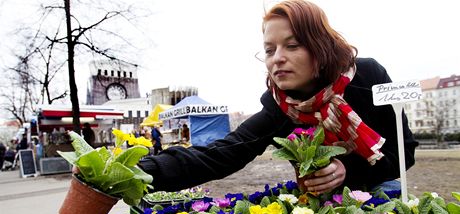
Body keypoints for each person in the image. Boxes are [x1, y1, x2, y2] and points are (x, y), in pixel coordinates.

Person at [94, 0, 414, 195]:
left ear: (319, 46)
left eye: (292, 45)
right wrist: (128, 169)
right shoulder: (281, 105)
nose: (277, 59)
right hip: (322, 206)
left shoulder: (367, 76)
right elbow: (221, 154)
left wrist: (348, 170)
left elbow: (405, 153)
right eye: (270, 49)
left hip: (379, 191)